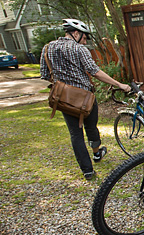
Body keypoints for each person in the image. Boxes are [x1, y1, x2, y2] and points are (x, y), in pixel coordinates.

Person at [40, 18, 131, 180]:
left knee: (76, 134)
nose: (85, 40)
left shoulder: (48, 48)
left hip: (63, 99)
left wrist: (65, 83)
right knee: (91, 126)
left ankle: (87, 171)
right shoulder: (79, 50)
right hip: (84, 98)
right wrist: (119, 84)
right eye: (84, 37)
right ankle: (97, 153)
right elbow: (95, 71)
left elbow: (46, 75)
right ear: (75, 33)